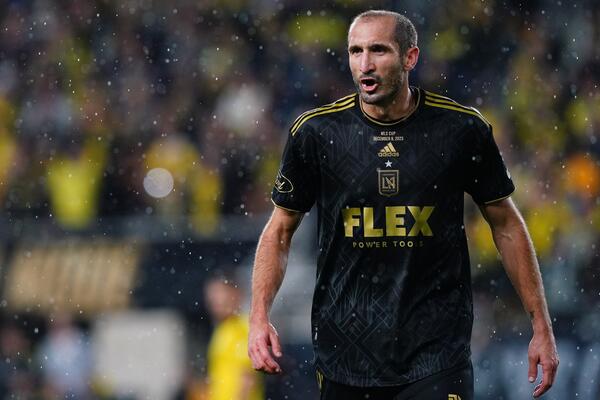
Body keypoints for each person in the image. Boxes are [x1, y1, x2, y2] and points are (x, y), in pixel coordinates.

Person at [248, 9, 559, 400]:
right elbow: (279, 230)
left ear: (410, 57)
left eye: (378, 50)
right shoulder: (317, 134)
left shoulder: (460, 130)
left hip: (436, 356)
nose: (365, 64)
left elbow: (507, 224)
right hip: (346, 357)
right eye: (356, 51)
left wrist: (541, 324)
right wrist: (258, 315)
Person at [205, 275, 263, 400]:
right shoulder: (222, 329)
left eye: (221, 295)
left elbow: (248, 377)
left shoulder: (245, 328)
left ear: (236, 295)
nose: (216, 301)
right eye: (213, 298)